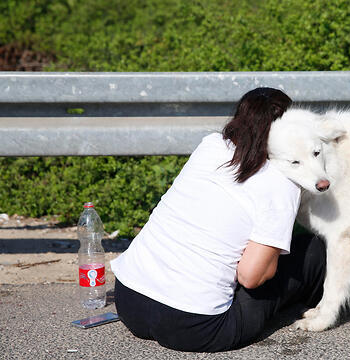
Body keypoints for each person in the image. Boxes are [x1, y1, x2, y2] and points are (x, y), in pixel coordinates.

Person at [110, 87, 326, 352]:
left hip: (130, 300)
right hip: (196, 326)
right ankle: (325, 299)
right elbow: (250, 277)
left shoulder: (210, 145)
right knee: (313, 251)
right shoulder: (281, 182)